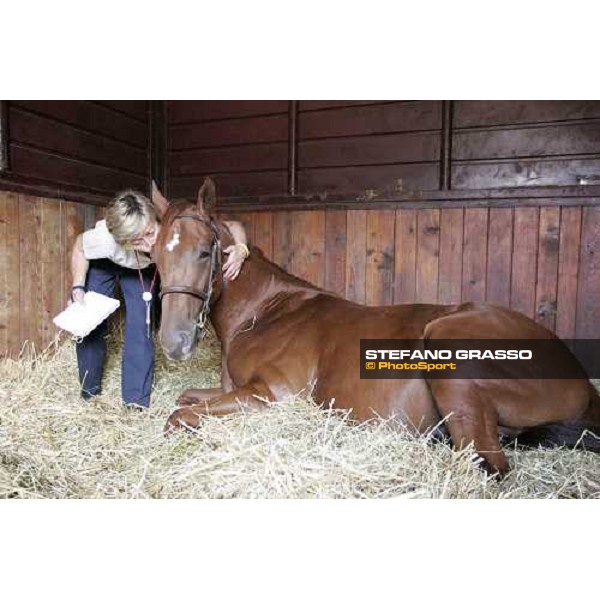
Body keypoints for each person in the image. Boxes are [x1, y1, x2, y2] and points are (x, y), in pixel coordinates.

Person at [69, 189, 249, 409]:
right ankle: (89, 392)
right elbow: (80, 247)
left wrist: (241, 248)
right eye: (137, 240)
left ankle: (135, 402)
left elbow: (232, 226)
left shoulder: (169, 224)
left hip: (141, 268)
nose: (148, 244)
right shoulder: (105, 240)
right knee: (90, 323)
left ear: (156, 220)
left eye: (150, 233)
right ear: (124, 240)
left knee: (142, 322)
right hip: (105, 262)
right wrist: (77, 286)